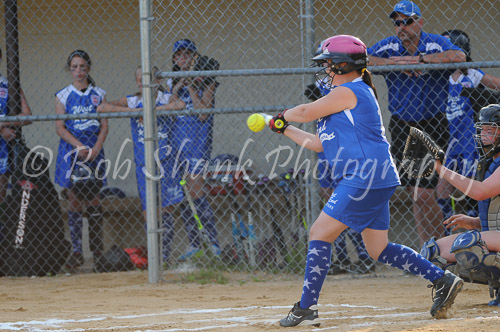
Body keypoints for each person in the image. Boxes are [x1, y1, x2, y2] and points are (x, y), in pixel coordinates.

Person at [271, 34, 463, 327]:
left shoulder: (352, 90)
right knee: (379, 249)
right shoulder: (340, 102)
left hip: (364, 175)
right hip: (373, 177)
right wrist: (284, 129)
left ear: (342, 64)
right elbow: (319, 144)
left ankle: (306, 308)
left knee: (319, 233)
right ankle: (442, 279)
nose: (325, 70)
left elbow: (306, 111)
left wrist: (280, 115)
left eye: (328, 64)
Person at [367, 0, 466, 245]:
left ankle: (442, 246)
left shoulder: (433, 42)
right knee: (416, 194)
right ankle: (429, 248)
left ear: (419, 22)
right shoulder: (390, 47)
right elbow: (363, 59)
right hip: (403, 126)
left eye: (407, 21)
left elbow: (459, 55)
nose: (401, 27)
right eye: (397, 22)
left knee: (424, 193)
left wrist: (421, 60)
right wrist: (394, 63)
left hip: (433, 124)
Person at [97, 66, 186, 264]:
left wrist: (150, 112)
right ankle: (155, 257)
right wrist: (135, 111)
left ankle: (164, 257)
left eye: (146, 78)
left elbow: (179, 105)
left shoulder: (164, 97)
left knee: (166, 209)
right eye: (139, 79)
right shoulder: (134, 100)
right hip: (143, 163)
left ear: (156, 80)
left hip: (165, 161)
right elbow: (102, 107)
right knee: (149, 211)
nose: (141, 82)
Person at [306, 41, 375, 274]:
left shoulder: (348, 86)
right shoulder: (324, 83)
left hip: (349, 156)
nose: (325, 67)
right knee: (333, 206)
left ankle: (364, 256)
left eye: (328, 61)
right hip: (328, 152)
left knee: (348, 209)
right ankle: (342, 258)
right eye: (323, 61)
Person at [421, 103, 500, 306]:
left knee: (469, 246)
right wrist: (475, 222)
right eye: (482, 129)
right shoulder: (489, 163)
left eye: (491, 131)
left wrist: (440, 169)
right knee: (432, 252)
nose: (484, 135)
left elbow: (480, 191)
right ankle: (447, 292)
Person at [436, 30, 500, 226]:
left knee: (474, 183)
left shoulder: (470, 73)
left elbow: (495, 84)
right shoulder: (438, 77)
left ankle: (476, 227)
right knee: (442, 190)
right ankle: (450, 226)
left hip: (470, 138)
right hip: (450, 138)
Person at [166, 39, 221, 260]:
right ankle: (194, 243)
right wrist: (179, 85)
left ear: (195, 57)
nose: (183, 59)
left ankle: (213, 243)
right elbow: (167, 105)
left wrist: (190, 85)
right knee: (183, 194)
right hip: (176, 142)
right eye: (178, 56)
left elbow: (202, 113)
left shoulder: (206, 81)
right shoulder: (172, 82)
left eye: (187, 55)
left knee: (196, 191)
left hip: (197, 142)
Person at [54, 50, 108, 271]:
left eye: (82, 67)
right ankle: (77, 252)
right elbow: (59, 127)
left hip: (93, 151)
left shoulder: (99, 93)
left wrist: (96, 147)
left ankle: (97, 252)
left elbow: (104, 125)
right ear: (69, 69)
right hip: (72, 151)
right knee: (74, 200)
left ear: (89, 68)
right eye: (74, 67)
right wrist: (78, 146)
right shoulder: (62, 95)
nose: (78, 71)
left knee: (94, 199)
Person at [0, 47, 32, 203]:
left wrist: (3, 124)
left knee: (1, 195)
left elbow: (27, 116)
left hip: (4, 148)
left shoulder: (9, 85)